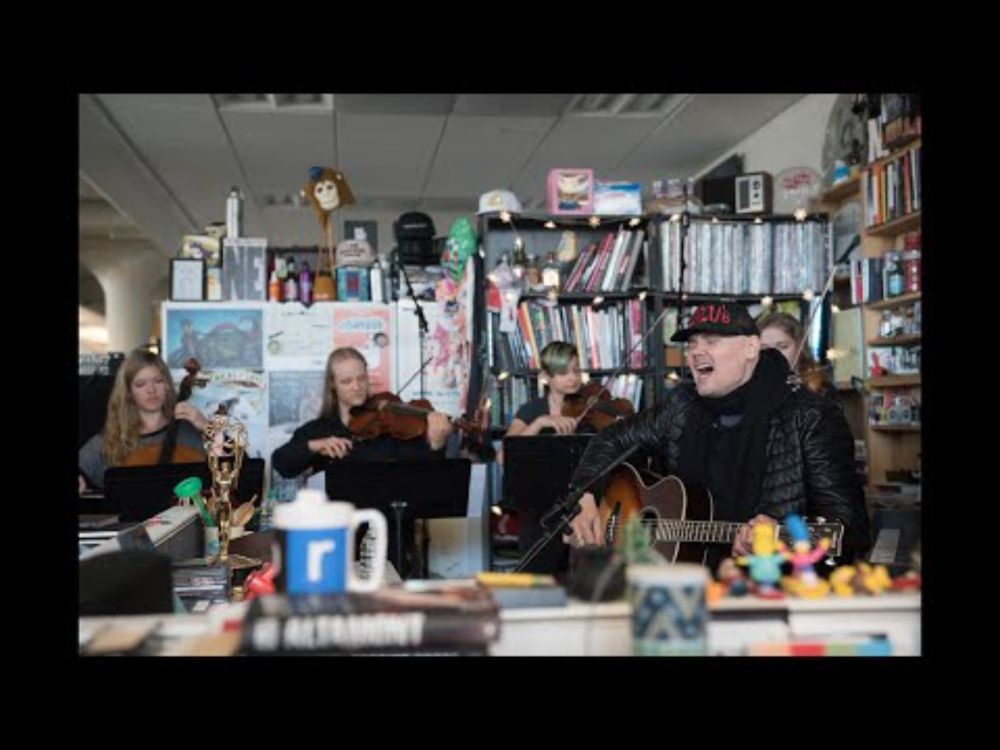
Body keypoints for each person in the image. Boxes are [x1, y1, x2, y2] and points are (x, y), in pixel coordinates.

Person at [565, 301, 870, 571]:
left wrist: (779, 540)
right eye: (692, 344)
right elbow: (611, 439)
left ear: (752, 348)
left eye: (711, 340)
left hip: (768, 590)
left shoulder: (811, 417)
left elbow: (849, 530)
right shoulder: (681, 406)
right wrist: (586, 495)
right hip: (685, 580)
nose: (697, 351)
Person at [271, 346, 454, 577]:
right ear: (332, 385)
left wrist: (435, 443)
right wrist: (314, 446)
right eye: (347, 381)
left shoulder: (389, 425)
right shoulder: (317, 430)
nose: (357, 386)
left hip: (390, 543)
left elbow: (422, 474)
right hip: (334, 538)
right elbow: (282, 463)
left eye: (361, 378)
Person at [499, 341, 585, 574]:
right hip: (539, 511)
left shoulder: (589, 409)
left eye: (576, 369)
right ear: (546, 376)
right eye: (564, 372)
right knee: (537, 575)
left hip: (580, 507)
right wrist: (540, 423)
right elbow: (502, 456)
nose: (573, 378)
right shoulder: (531, 410)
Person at [78, 348, 210, 492]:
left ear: (167, 385)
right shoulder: (108, 441)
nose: (151, 390)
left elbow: (230, 469)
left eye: (158, 381)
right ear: (128, 392)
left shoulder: (189, 433)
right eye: (140, 384)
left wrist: (207, 427)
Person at [756, 311, 835, 399]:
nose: (773, 354)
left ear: (799, 347)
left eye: (782, 346)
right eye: (764, 348)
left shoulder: (819, 388)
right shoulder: (751, 388)